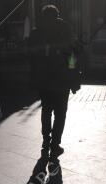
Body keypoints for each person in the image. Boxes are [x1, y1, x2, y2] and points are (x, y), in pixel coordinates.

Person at [28, 5, 80, 158]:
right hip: (62, 80)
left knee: (46, 110)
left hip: (44, 80)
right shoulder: (66, 30)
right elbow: (72, 55)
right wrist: (72, 73)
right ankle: (55, 144)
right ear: (57, 15)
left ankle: (46, 140)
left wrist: (36, 73)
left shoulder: (36, 33)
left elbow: (31, 57)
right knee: (60, 113)